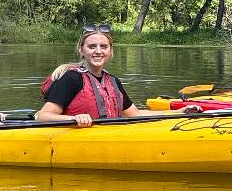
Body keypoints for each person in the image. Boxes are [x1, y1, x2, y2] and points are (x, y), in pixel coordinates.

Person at [37, 24, 197, 126]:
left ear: (110, 51)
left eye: (103, 46)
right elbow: (44, 116)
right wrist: (75, 118)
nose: (98, 51)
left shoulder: (113, 81)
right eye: (92, 46)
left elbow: (135, 114)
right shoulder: (72, 79)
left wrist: (178, 112)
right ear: (81, 50)